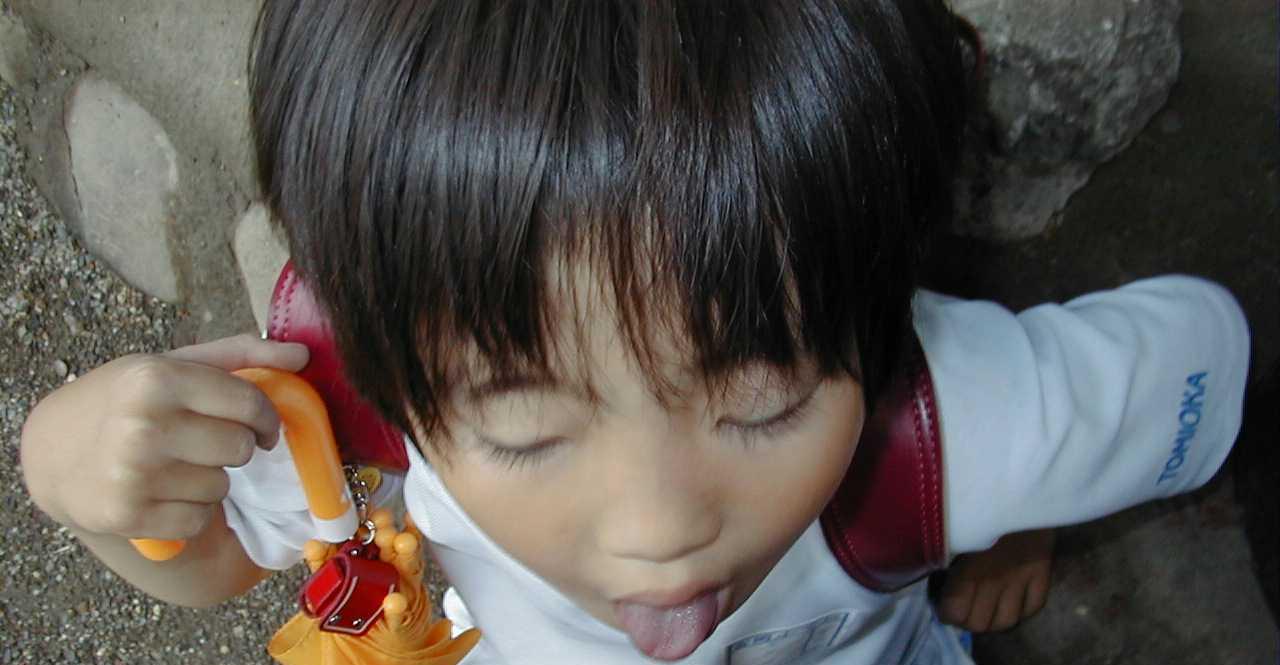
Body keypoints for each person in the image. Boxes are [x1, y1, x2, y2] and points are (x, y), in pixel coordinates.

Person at [19, 1, 1250, 663]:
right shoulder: (370, 395)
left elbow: (1200, 343)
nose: (659, 529)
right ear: (389, 352)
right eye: (522, 428)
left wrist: (1020, 500)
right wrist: (81, 487)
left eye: (762, 402)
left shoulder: (952, 427)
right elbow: (215, 563)